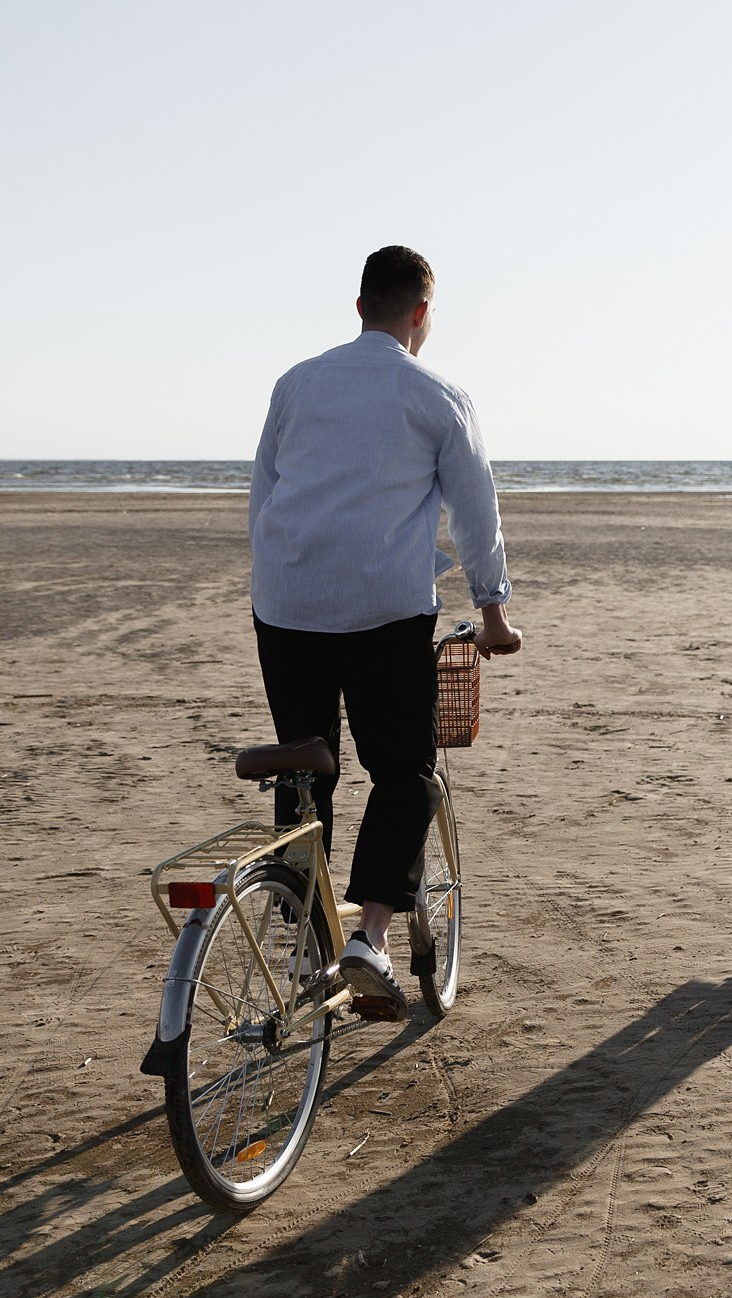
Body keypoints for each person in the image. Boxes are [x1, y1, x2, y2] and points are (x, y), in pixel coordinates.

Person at [249, 245, 522, 1018]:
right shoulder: (438, 394)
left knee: (309, 767)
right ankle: (369, 935)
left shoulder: (295, 383)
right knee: (404, 770)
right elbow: (476, 512)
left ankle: (305, 944)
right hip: (383, 612)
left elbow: (263, 495)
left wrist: (276, 585)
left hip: (284, 605)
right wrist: (494, 611)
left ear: (360, 304)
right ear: (422, 313)